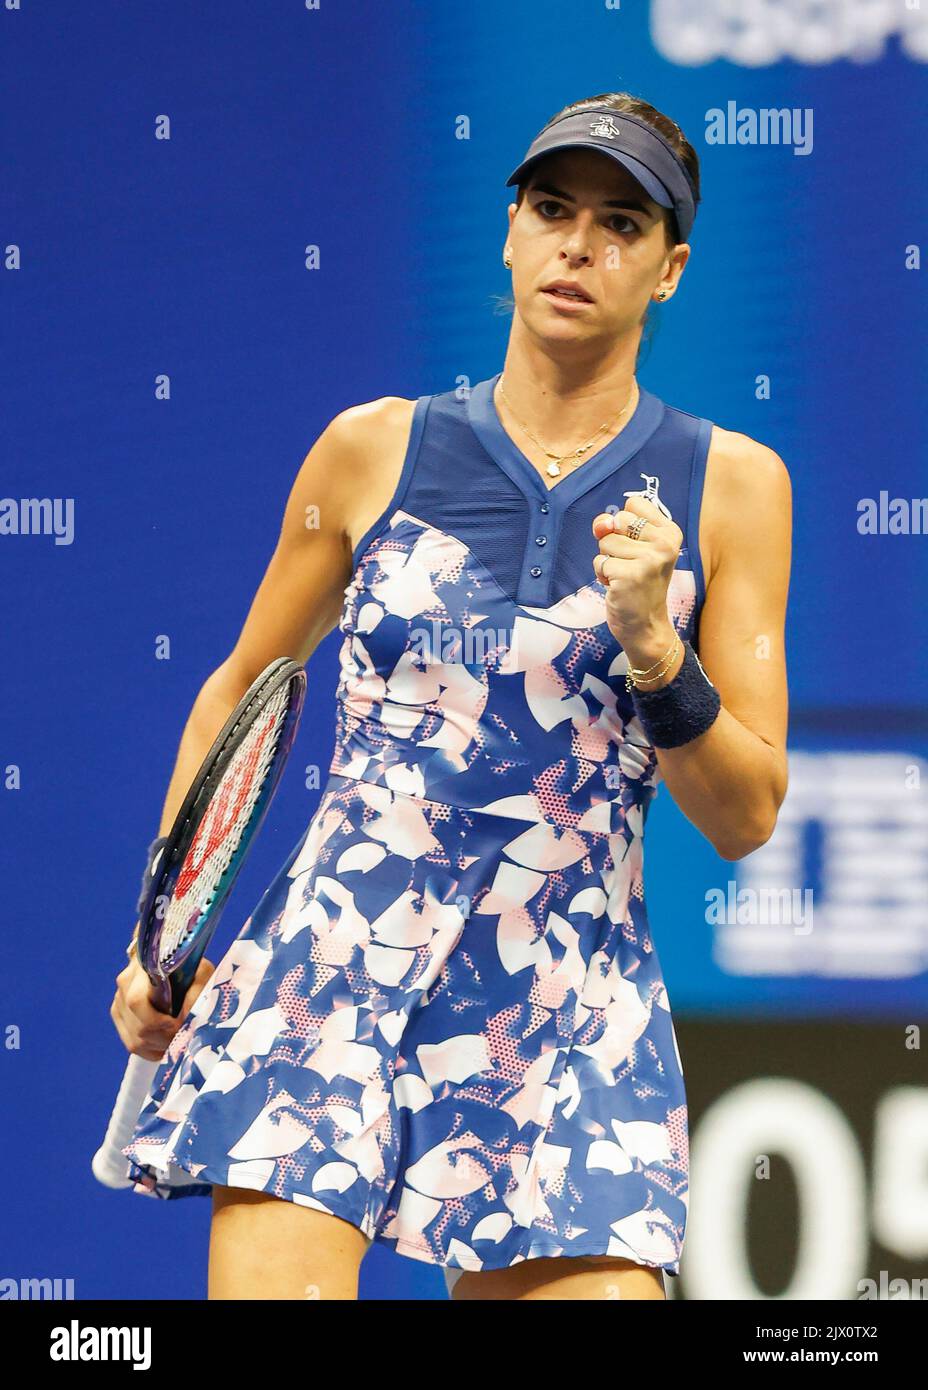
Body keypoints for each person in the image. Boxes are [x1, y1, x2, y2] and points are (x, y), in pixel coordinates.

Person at [110, 91, 791, 1301]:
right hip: (330, 971)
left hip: (567, 1005)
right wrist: (162, 932)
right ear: (510, 232)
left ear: (670, 269)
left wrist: (654, 647)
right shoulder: (370, 449)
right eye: (551, 209)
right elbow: (238, 692)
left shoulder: (732, 488)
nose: (578, 244)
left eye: (622, 224)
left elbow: (744, 814)